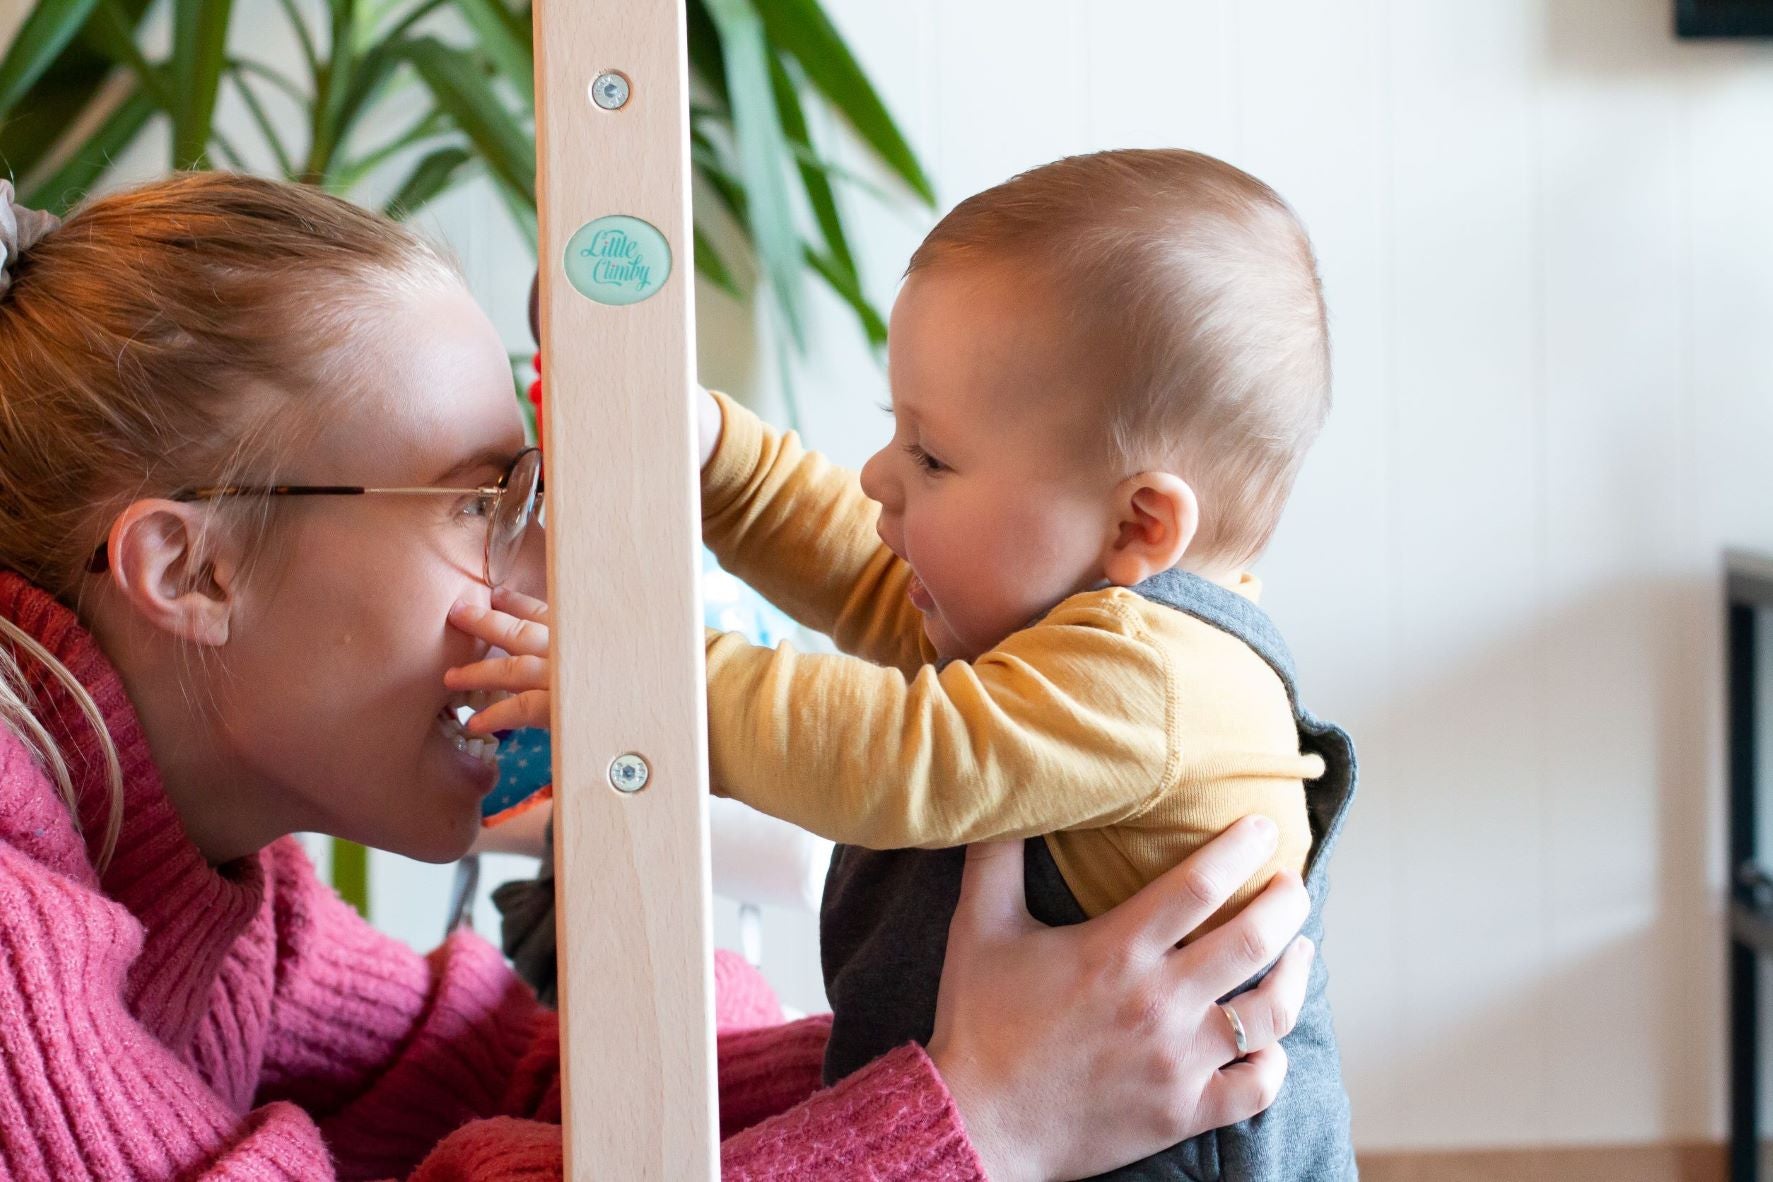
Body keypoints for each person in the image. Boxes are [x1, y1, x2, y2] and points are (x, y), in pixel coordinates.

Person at [0, 171, 1315, 1181]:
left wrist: (971, 1049)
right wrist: (980, 1115)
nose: (551, 569)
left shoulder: (227, 899)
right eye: (481, 502)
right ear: (190, 568)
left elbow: (509, 1066)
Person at [448, 148, 1356, 1179]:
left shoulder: (1157, 680)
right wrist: (708, 456)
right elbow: (873, 579)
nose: (882, 474)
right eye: (897, 432)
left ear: (1137, 522)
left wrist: (640, 680)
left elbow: (900, 755)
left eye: (931, 455)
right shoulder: (1068, 624)